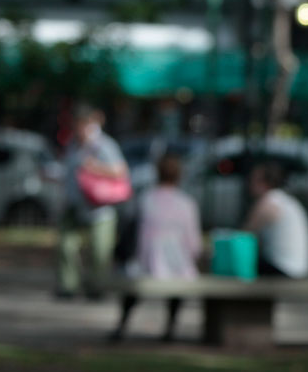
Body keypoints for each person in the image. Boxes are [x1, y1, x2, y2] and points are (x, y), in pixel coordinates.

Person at [109, 153, 201, 343]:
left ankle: (123, 324)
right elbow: (194, 244)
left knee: (133, 285)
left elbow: (129, 232)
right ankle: (171, 326)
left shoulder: (145, 200)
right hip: (177, 266)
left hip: (146, 262)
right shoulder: (187, 204)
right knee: (180, 281)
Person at [56, 104, 128, 301]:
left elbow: (120, 171)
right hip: (75, 204)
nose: (77, 129)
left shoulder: (103, 145)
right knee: (66, 246)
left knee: (99, 252)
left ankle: (96, 288)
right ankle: (67, 286)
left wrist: (95, 167)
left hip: (99, 207)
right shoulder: (73, 144)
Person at [244, 160, 308, 278]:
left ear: (263, 182)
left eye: (253, 179)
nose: (249, 184)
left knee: (240, 266)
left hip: (283, 269)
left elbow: (245, 234)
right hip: (299, 269)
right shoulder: (286, 200)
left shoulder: (269, 201)